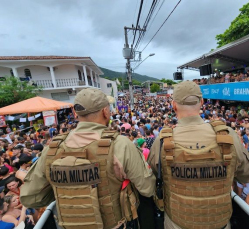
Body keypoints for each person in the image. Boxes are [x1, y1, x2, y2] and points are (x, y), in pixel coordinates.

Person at [20, 88, 156, 229]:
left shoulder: (53, 149)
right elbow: (147, 188)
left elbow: (30, 197)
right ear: (105, 111)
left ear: (75, 113)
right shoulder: (120, 144)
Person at [148, 81, 249, 229]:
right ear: (202, 102)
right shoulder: (227, 135)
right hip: (219, 223)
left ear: (173, 105)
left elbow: (154, 178)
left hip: (177, 223)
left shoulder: (162, 141)